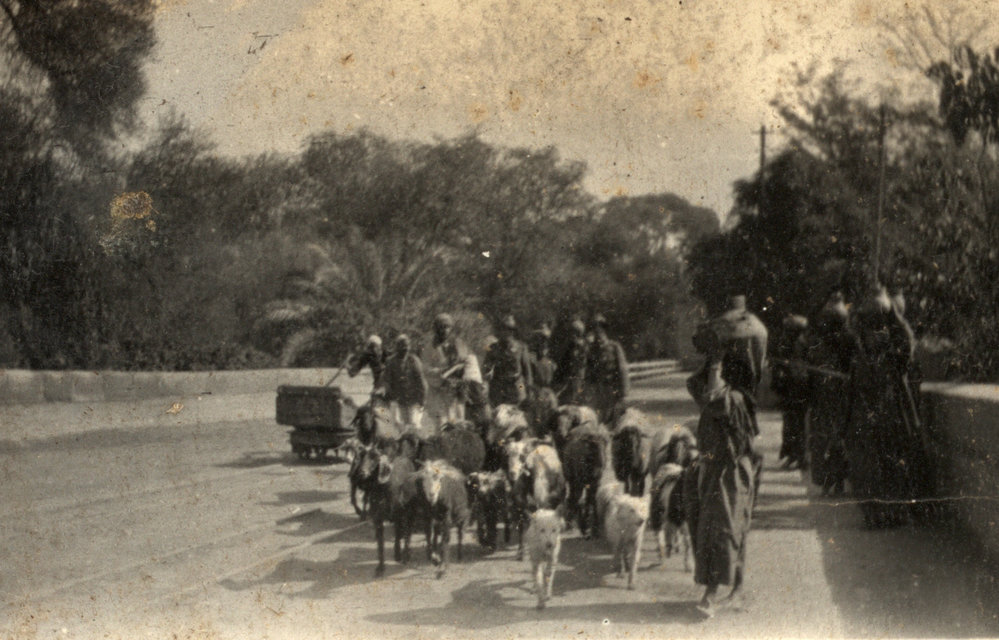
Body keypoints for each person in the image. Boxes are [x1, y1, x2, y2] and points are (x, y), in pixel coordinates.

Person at [684, 324, 759, 616]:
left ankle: (713, 594)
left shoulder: (733, 400)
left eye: (716, 367)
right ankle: (730, 588)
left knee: (725, 528)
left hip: (731, 471)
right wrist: (714, 358)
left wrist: (716, 363)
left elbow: (713, 396)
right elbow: (696, 385)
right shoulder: (718, 394)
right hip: (714, 467)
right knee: (721, 528)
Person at [844, 285, 930, 527]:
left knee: (892, 464)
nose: (873, 336)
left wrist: (893, 313)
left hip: (891, 417)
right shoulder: (859, 354)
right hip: (865, 419)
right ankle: (874, 515)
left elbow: (908, 341)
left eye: (879, 330)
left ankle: (893, 514)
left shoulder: (894, 357)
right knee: (866, 468)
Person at [804, 292, 853, 495]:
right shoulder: (822, 340)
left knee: (833, 440)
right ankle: (830, 481)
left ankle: (835, 481)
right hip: (825, 395)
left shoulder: (848, 340)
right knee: (828, 440)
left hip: (838, 395)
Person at [771, 315, 810, 470]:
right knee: (790, 424)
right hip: (791, 389)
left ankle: (799, 457)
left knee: (797, 425)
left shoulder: (801, 344)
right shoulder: (789, 343)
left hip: (798, 389)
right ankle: (792, 455)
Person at [713, 294, 768, 398]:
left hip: (727, 367)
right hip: (747, 367)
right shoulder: (754, 322)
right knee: (748, 395)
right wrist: (759, 369)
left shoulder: (722, 321)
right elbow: (760, 348)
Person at [424, 313, 474, 426]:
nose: (444, 330)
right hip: (438, 390)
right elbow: (426, 369)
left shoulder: (458, 343)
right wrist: (441, 370)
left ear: (451, 328)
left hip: (457, 389)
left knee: (459, 422)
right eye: (441, 327)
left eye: (447, 327)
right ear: (436, 329)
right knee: (442, 423)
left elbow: (467, 362)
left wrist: (463, 371)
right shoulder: (430, 347)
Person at [586, 313, 629, 424]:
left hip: (612, 391)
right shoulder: (590, 350)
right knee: (595, 421)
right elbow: (587, 372)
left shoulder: (614, 347)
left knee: (614, 422)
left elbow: (622, 370)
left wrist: (624, 394)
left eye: (600, 327)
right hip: (596, 392)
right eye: (594, 327)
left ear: (604, 329)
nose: (597, 331)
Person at [483, 315, 533, 406]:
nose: (505, 332)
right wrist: (485, 383)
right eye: (503, 329)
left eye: (508, 329)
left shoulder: (521, 347)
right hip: (498, 387)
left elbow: (527, 370)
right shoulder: (493, 348)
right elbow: (486, 369)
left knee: (519, 409)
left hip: (517, 385)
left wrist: (529, 388)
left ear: (512, 332)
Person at [383, 333, 428, 432]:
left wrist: (423, 399)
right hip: (399, 399)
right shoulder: (391, 362)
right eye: (402, 346)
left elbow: (421, 381)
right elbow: (387, 381)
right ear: (397, 347)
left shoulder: (414, 360)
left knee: (414, 425)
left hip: (414, 399)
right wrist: (390, 395)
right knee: (400, 426)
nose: (405, 348)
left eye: (407, 346)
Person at [555, 318, 588, 405]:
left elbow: (585, 363)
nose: (570, 335)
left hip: (581, 379)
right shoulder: (570, 346)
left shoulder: (585, 346)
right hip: (570, 380)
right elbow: (563, 365)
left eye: (572, 332)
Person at [528, 324, 556, 394]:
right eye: (539, 339)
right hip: (534, 392)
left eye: (545, 340)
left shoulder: (551, 361)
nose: (543, 343)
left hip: (547, 392)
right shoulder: (530, 359)